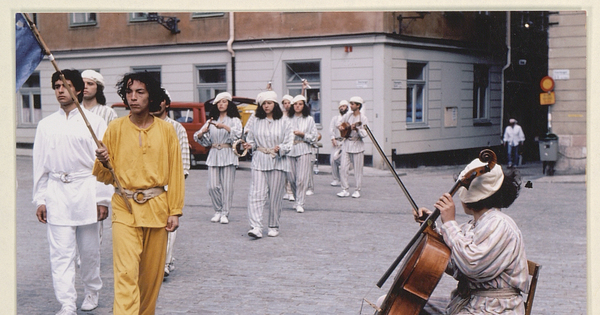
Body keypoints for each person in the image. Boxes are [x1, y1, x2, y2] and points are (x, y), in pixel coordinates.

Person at [93, 71, 184, 315]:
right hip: (125, 207)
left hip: (157, 208)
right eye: (129, 92)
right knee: (126, 273)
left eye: (140, 92)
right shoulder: (115, 128)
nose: (133, 97)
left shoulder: (167, 131)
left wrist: (175, 210)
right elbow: (103, 175)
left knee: (150, 280)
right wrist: (103, 161)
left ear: (150, 96)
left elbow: (176, 172)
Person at [33, 69, 112, 315]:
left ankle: (92, 290)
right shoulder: (46, 125)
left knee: (89, 251)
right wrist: (40, 199)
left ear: (77, 90)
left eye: (66, 86)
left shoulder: (95, 122)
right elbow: (40, 165)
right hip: (57, 192)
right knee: (60, 253)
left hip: (86, 190)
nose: (60, 91)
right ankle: (67, 302)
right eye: (56, 86)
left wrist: (102, 199)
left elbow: (102, 164)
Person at [411, 159, 529, 314]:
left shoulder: (499, 224)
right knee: (400, 305)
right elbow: (452, 261)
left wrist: (449, 223)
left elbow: (470, 265)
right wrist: (430, 228)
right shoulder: (475, 224)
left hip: (494, 309)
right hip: (470, 303)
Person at [151, 89, 190, 278]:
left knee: (168, 223)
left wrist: (175, 186)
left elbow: (182, 162)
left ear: (166, 103)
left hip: (168, 183)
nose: (155, 104)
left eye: (159, 101)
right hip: (146, 185)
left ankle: (164, 263)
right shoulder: (144, 126)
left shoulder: (176, 128)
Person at [243, 90, 293, 238]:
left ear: (275, 104)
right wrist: (249, 145)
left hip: (277, 161)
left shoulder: (285, 122)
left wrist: (281, 148)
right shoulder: (256, 121)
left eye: (269, 103)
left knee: (275, 196)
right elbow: (251, 139)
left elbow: (289, 142)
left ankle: (273, 225)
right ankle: (256, 226)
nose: (266, 106)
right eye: (264, 103)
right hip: (259, 159)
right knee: (256, 194)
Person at [193, 92, 242, 224]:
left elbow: (238, 136)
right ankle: (218, 210)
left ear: (229, 104)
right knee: (212, 186)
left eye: (224, 102)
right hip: (214, 153)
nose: (221, 104)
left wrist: (225, 127)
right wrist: (200, 134)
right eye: (219, 102)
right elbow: (201, 138)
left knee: (227, 186)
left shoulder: (234, 120)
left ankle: (225, 212)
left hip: (228, 153)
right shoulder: (211, 121)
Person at [286, 95, 318, 213]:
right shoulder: (287, 119)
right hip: (290, 150)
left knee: (301, 178)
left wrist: (303, 135)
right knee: (291, 178)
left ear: (304, 105)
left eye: (300, 104)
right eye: (295, 104)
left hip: (304, 148)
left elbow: (314, 137)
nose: (297, 106)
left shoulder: (309, 119)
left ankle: (300, 202)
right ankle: (296, 198)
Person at [337, 96, 368, 198]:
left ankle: (357, 189)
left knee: (358, 170)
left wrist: (358, 129)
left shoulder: (363, 118)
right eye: (350, 104)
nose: (350, 106)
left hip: (357, 144)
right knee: (343, 168)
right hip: (347, 143)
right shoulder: (348, 115)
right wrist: (342, 127)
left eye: (353, 104)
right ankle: (344, 189)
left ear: (358, 105)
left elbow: (364, 134)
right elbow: (339, 123)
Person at [329, 100, 349, 186]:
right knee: (332, 160)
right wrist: (332, 138)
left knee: (343, 161)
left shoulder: (349, 118)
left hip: (345, 142)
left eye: (344, 106)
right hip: (337, 141)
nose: (342, 108)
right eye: (341, 106)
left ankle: (344, 179)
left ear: (347, 107)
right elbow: (331, 129)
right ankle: (336, 179)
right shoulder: (335, 119)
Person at [280, 94, 296, 202]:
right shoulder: (280, 115)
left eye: (288, 103)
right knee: (284, 169)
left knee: (291, 170)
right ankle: (287, 190)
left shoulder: (294, 115)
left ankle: (292, 192)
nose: (286, 105)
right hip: (282, 143)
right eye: (285, 103)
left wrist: (303, 89)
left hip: (293, 144)